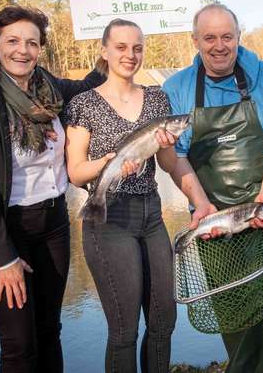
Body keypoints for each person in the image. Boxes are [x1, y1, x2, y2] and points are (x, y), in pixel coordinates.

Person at [0, 5, 105, 373]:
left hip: (54, 224)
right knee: (20, 345)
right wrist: (4, 259)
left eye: (32, 43)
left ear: (40, 49)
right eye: (13, 41)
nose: (22, 50)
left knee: (50, 330)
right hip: (7, 231)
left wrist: (107, 52)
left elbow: (89, 86)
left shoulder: (51, 90)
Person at [163, 3, 263, 373]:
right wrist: (201, 204)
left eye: (227, 36)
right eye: (209, 38)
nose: (219, 46)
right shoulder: (177, 87)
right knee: (232, 310)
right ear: (195, 41)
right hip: (213, 222)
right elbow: (176, 154)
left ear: (239, 37)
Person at [64, 19, 178, 373]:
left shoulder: (158, 98)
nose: (131, 55)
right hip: (109, 218)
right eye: (121, 47)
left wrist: (169, 144)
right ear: (104, 51)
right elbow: (75, 171)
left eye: (138, 47)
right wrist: (109, 164)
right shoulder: (84, 104)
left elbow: (168, 162)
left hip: (153, 216)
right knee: (125, 330)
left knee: (164, 322)